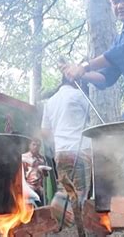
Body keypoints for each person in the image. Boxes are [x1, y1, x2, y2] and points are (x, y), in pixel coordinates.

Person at [41, 76, 92, 226]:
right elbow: (93, 117)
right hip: (80, 150)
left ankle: (60, 202)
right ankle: (77, 228)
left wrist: (57, 142)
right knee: (80, 193)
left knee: (66, 189)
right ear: (75, 80)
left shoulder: (50, 102)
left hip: (61, 152)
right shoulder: (79, 95)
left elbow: (44, 131)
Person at [22, 138, 49, 205]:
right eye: (34, 144)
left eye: (38, 145)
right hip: (28, 187)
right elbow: (20, 174)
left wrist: (44, 170)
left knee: (42, 208)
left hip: (40, 188)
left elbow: (46, 175)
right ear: (29, 145)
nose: (35, 147)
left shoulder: (42, 159)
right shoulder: (24, 157)